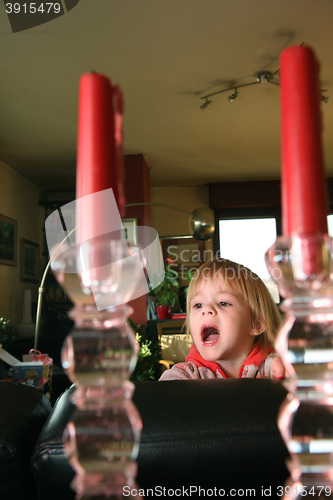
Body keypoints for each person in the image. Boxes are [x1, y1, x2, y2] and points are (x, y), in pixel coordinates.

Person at [159, 258, 284, 381]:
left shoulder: (274, 367)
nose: (206, 310)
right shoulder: (186, 375)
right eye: (198, 305)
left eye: (223, 303)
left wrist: (284, 375)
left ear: (256, 323)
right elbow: (164, 394)